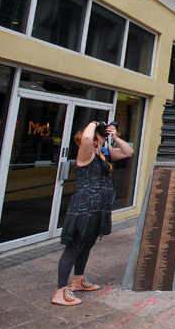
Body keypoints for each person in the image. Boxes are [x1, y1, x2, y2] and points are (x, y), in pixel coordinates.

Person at [53, 121, 133, 305]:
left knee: (87, 245)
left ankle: (78, 280)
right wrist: (94, 123)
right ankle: (60, 291)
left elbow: (128, 152)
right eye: (101, 135)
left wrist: (114, 137)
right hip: (84, 208)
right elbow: (88, 137)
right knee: (73, 247)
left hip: (99, 208)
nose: (103, 136)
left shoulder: (104, 154)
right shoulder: (85, 154)